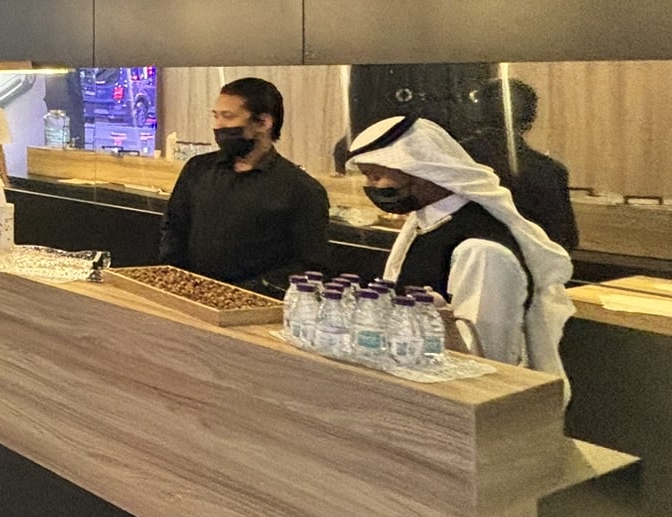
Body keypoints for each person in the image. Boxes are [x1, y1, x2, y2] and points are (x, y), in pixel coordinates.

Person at [344, 114, 572, 381]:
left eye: (377, 176)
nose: (370, 187)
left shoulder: (481, 250)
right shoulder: (425, 224)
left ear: (421, 172)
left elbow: (483, 357)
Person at [159, 76, 330, 295]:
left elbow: (310, 265)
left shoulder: (301, 189)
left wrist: (244, 293)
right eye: (215, 116)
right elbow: (174, 229)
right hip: (190, 295)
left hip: (256, 304)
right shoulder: (198, 169)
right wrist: (174, 281)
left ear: (263, 122)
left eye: (228, 116)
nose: (218, 125)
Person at [461, 78, 578, 252]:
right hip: (527, 265)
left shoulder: (454, 159)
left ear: (476, 113)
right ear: (531, 118)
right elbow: (566, 239)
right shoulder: (552, 170)